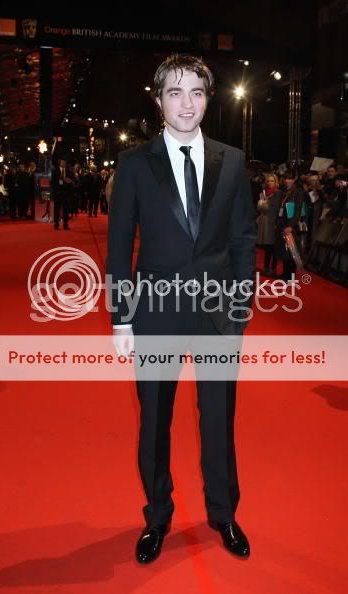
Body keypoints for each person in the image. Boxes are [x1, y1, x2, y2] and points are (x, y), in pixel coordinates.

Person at [107, 54, 256, 564]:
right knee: (155, 421)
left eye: (196, 92)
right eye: (175, 92)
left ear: (209, 99)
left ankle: (224, 513)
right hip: (155, 314)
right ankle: (157, 515)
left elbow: (242, 238)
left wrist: (241, 307)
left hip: (217, 316)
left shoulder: (232, 161)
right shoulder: (133, 165)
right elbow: (119, 242)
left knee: (219, 418)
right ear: (159, 100)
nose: (186, 102)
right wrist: (121, 317)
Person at [50, 158, 73, 230]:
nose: (63, 163)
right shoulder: (55, 171)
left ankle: (65, 224)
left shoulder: (68, 171)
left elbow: (71, 181)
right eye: (62, 162)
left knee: (66, 210)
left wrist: (69, 184)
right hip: (57, 193)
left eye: (64, 162)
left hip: (66, 193)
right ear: (59, 163)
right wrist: (55, 191)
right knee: (56, 209)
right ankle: (56, 224)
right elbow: (52, 183)